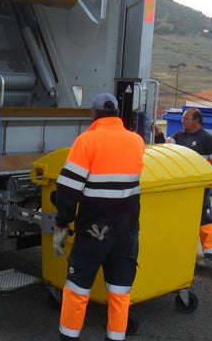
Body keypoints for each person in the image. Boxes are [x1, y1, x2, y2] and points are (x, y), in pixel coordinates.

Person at [53, 93, 146, 341]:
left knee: (77, 290)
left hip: (94, 230)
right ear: (117, 113)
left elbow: (68, 187)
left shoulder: (87, 141)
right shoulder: (137, 141)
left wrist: (63, 221)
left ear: (94, 115)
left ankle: (69, 337)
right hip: (126, 232)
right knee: (119, 292)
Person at [154, 107, 212, 264]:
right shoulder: (179, 136)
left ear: (196, 121)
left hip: (199, 188)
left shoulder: (208, 139)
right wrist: (158, 134)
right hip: (182, 187)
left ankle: (211, 254)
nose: (182, 121)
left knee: (205, 219)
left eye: (186, 118)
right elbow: (165, 147)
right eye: (183, 118)